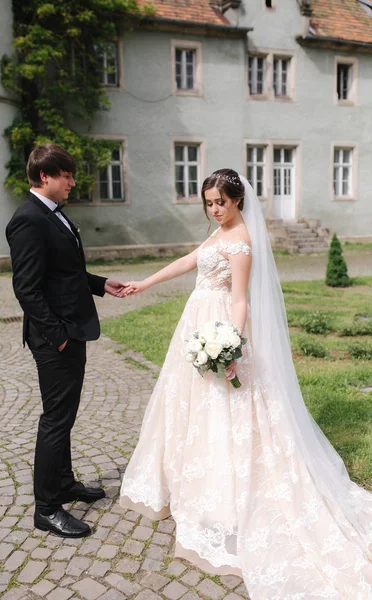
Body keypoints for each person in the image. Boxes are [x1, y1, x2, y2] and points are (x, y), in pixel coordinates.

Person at [119, 169, 372, 598]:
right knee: (191, 405)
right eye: (209, 203)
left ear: (238, 200)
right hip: (195, 321)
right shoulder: (215, 236)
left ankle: (226, 500)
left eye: (221, 202)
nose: (215, 210)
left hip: (220, 326)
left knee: (228, 410)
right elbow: (188, 262)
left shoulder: (242, 243)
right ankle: (188, 487)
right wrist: (143, 283)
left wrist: (231, 348)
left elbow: (239, 299)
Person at [6, 144, 125, 538]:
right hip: (55, 337)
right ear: (45, 176)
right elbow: (26, 288)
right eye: (67, 175)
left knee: (65, 415)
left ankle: (64, 483)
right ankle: (46, 507)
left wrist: (100, 284)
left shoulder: (53, 215)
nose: (73, 182)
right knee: (55, 420)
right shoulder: (28, 219)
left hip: (72, 329)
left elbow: (65, 272)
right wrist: (57, 336)